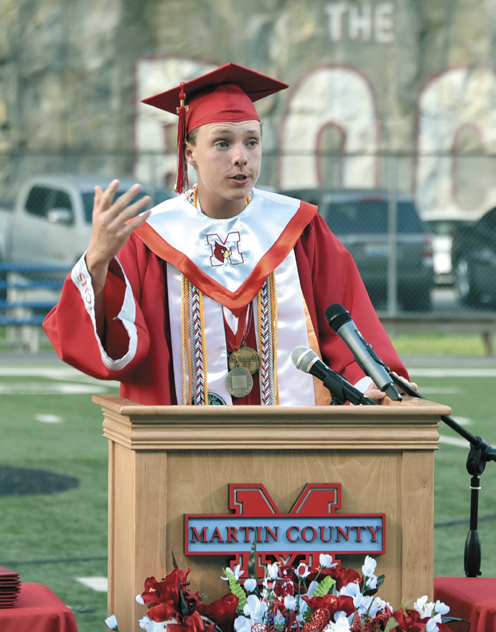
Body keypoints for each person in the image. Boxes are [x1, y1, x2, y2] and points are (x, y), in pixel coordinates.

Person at [43, 63, 411, 406]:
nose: (240, 157)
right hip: (179, 448)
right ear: (189, 153)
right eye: (222, 143)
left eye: (251, 142)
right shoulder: (150, 237)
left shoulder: (299, 228)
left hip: (294, 441)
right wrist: (97, 262)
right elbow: (113, 346)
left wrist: (372, 380)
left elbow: (348, 320)